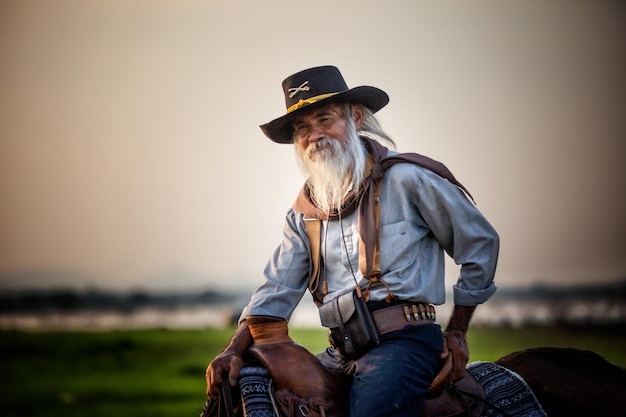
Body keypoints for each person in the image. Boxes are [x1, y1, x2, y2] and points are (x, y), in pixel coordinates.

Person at [205, 65, 499, 416]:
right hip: (340, 349)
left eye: (325, 119)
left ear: (356, 118)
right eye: (302, 127)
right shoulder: (304, 213)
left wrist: (458, 332)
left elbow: (479, 243)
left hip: (405, 343)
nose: (314, 135)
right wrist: (233, 348)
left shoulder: (407, 179)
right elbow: (276, 290)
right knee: (251, 393)